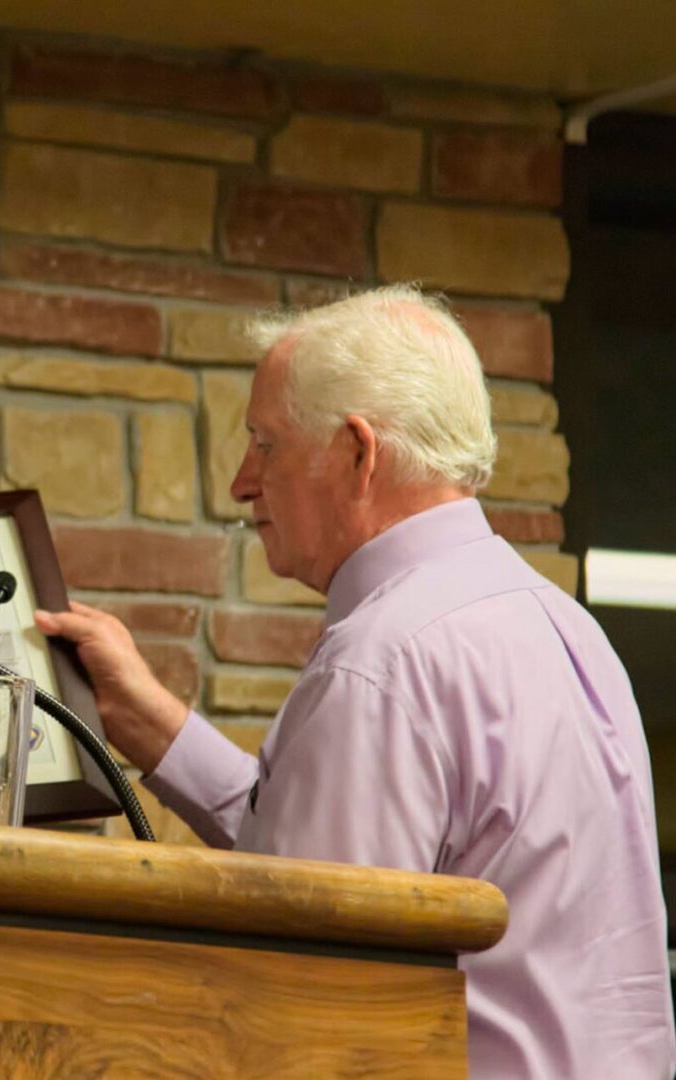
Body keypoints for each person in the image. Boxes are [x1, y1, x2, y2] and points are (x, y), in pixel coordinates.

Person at [38, 285, 674, 1078]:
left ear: (355, 453)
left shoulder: (381, 663)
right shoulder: (564, 627)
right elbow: (321, 876)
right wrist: (152, 729)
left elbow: (308, 1001)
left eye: (263, 444)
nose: (240, 481)